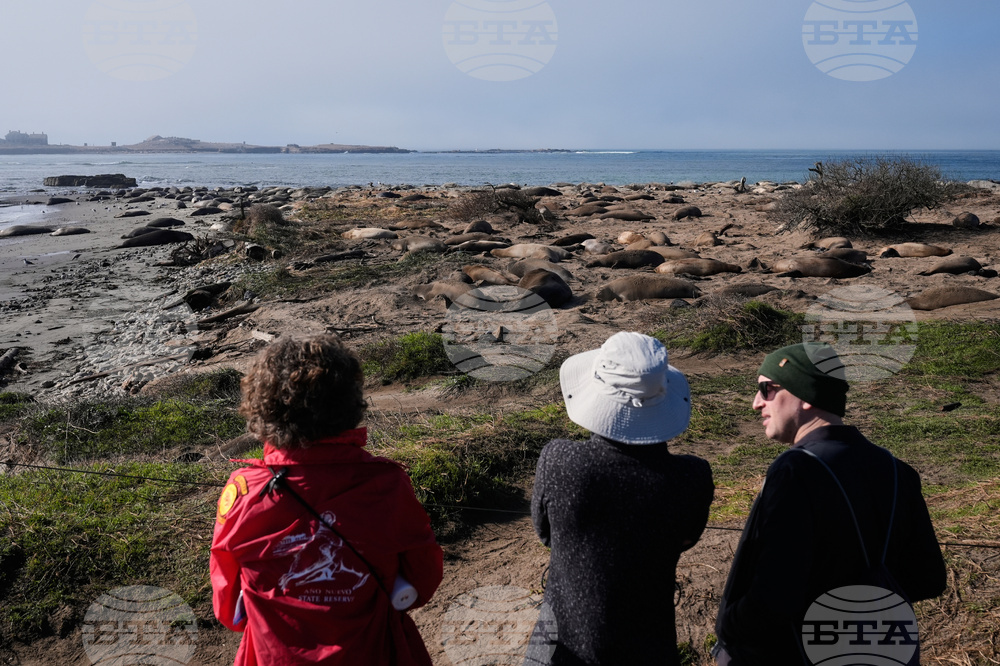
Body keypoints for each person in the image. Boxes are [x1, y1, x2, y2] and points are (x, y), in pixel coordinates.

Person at [210, 334, 443, 666]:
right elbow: (423, 581)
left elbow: (227, 606)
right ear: (349, 404)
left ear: (263, 409)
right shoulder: (386, 484)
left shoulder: (243, 491)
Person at [714, 342, 946, 665]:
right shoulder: (898, 471)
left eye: (767, 389)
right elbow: (929, 578)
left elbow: (774, 596)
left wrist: (729, 628)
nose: (756, 403)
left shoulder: (795, 471)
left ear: (805, 396)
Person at [525, 331, 714, 665]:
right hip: (649, 646)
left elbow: (545, 534)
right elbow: (686, 539)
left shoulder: (559, 460)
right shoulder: (692, 476)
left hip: (561, 642)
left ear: (596, 392)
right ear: (665, 391)